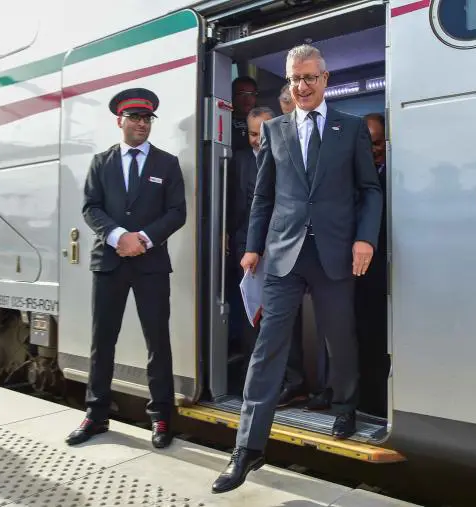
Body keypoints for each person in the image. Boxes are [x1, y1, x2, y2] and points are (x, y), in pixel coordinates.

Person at [212, 44, 382, 493]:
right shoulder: (275, 131)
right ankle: (247, 448)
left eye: (309, 78)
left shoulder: (349, 129)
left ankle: (345, 407)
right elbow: (263, 196)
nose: (301, 86)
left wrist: (365, 238)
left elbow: (370, 190)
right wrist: (252, 247)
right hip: (283, 255)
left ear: (325, 80)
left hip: (334, 254)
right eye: (294, 79)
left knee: (339, 338)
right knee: (267, 347)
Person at [67, 88, 187, 450]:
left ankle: (162, 416)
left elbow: (177, 212)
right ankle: (96, 413)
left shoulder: (166, 164)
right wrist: (119, 236)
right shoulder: (101, 162)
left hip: (150, 265)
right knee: (102, 342)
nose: (141, 124)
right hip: (109, 262)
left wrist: (144, 239)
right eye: (134, 118)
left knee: (157, 342)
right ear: (119, 120)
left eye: (147, 118)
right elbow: (91, 208)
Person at [231, 107, 309, 403]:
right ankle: (259, 382)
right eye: (252, 134)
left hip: (282, 247)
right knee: (252, 315)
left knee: (285, 317)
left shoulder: (291, 154)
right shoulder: (237, 162)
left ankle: (294, 380)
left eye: (263, 133)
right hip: (246, 248)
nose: (258, 140)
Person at [355, 112, 389, 417]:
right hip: (358, 275)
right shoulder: (353, 175)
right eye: (368, 143)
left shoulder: (395, 175)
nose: (373, 149)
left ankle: (378, 404)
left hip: (385, 273)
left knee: (380, 340)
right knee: (362, 339)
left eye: (377, 143)